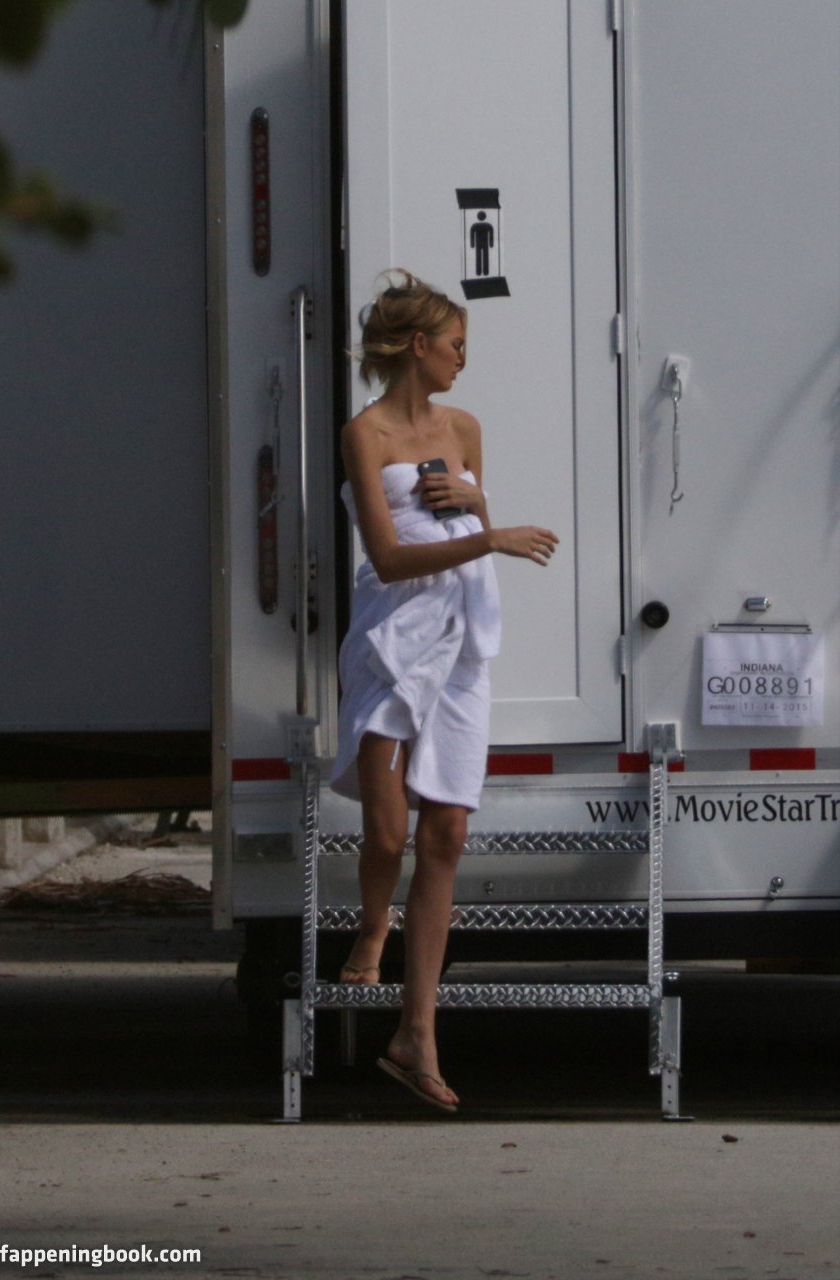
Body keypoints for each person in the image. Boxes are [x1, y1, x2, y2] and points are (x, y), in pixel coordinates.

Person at [329, 270, 559, 1113]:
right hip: (394, 642)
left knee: (446, 835)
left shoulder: (464, 428)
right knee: (387, 832)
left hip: (459, 646)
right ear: (418, 345)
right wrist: (490, 535)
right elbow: (389, 558)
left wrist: (474, 505)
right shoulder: (364, 434)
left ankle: (415, 1035)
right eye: (456, 344)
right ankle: (372, 925)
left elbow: (463, 525)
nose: (464, 359)